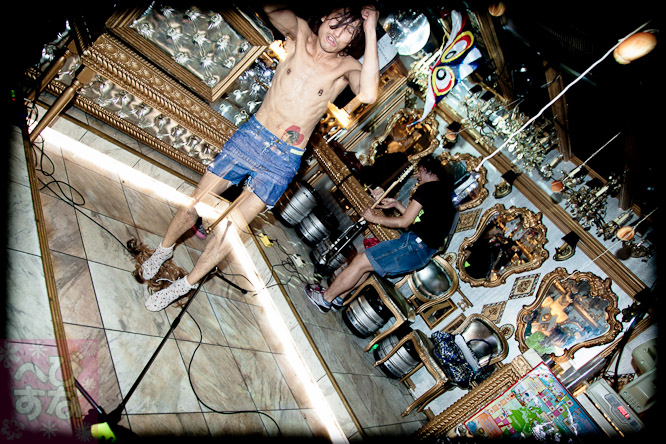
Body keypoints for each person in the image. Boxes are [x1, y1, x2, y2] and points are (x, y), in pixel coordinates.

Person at [140, 3, 381, 311]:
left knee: (231, 228)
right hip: (252, 138)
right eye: (337, 22)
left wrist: (370, 28)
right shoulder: (299, 32)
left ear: (353, 40)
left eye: (350, 31)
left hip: (283, 160)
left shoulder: (345, 68)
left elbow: (369, 94)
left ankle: (184, 285)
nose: (338, 33)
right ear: (324, 17)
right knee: (197, 203)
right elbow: (271, 9)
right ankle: (162, 251)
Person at [303, 155, 458, 313]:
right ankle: (338, 298)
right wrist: (396, 204)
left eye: (419, 171)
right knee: (368, 266)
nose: (417, 175)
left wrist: (373, 218)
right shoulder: (444, 194)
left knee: (360, 261)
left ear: (428, 170)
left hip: (413, 245)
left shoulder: (427, 188)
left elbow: (404, 222)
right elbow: (418, 222)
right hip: (422, 253)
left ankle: (325, 299)